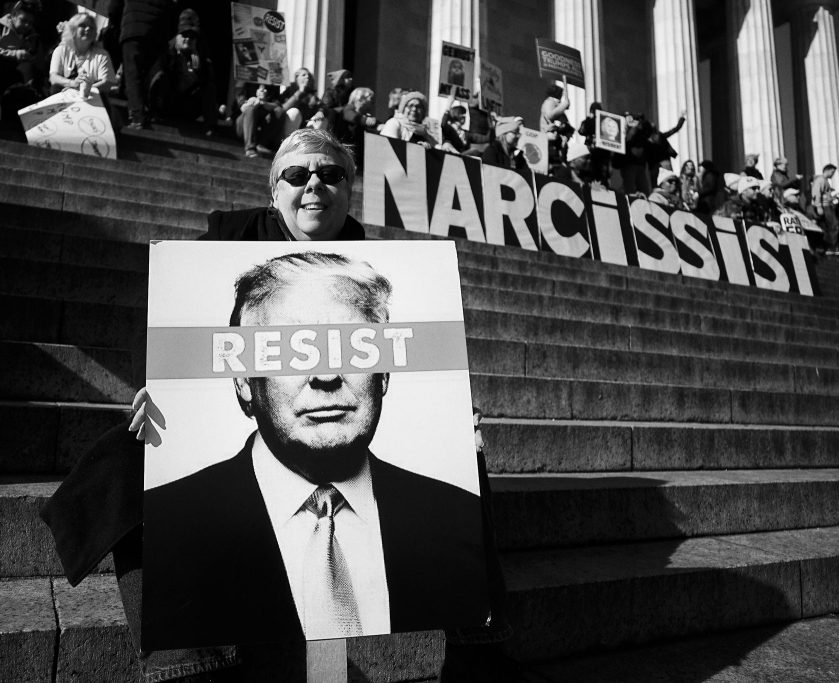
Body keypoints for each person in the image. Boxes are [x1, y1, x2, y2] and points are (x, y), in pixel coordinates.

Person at [42, 128, 513, 681]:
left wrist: (454, 406)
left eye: (331, 173)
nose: (314, 183)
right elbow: (169, 314)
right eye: (297, 174)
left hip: (391, 483)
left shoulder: (384, 263)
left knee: (464, 454)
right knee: (134, 461)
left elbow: (421, 352)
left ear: (349, 187)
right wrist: (157, 383)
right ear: (274, 191)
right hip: (194, 444)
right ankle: (188, 662)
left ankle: (480, 642)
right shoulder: (226, 239)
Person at [142, 251, 489, 647]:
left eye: (352, 347)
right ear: (242, 382)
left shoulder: (455, 514)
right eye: (294, 349)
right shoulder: (168, 521)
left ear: (386, 371)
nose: (325, 374)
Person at [147, 10, 217, 135]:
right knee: (160, 76)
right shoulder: (166, 53)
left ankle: (210, 127)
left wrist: (200, 68)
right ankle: (154, 114)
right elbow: (156, 80)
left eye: (192, 37)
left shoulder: (200, 58)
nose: (188, 39)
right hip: (166, 104)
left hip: (186, 107)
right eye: (185, 35)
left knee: (209, 87)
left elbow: (207, 83)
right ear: (177, 36)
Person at [119, 0, 177, 128]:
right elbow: (174, 14)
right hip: (158, 34)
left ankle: (137, 116)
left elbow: (114, 7)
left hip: (133, 29)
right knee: (152, 75)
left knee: (133, 74)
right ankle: (152, 111)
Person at [49, 12, 115, 95]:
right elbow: (54, 78)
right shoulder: (61, 50)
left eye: (91, 27)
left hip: (92, 100)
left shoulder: (101, 54)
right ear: (72, 29)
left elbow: (106, 83)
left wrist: (83, 90)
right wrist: (72, 84)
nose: (87, 29)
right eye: (83, 25)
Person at [0, 0, 40, 120]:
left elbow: (36, 60)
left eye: (30, 23)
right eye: (23, 21)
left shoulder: (32, 35)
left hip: (17, 74)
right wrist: (15, 54)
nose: (27, 25)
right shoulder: (1, 28)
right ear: (13, 16)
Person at [235, 82, 289, 158]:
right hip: (243, 126)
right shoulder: (246, 81)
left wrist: (263, 102)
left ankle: (263, 144)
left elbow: (278, 104)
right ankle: (250, 147)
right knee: (250, 109)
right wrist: (253, 102)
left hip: (263, 126)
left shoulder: (273, 85)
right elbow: (241, 105)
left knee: (279, 111)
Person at [810, 163, 839, 255]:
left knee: (828, 227)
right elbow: (816, 193)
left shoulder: (824, 181)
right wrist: (818, 207)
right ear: (828, 170)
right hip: (825, 206)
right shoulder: (820, 180)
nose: (833, 174)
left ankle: (830, 247)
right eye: (832, 172)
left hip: (827, 206)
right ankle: (831, 247)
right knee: (834, 225)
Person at [539, 76, 571, 164]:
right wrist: (564, 105)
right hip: (549, 139)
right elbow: (550, 115)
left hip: (558, 142)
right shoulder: (549, 102)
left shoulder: (556, 105)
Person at [280, 67, 322, 134]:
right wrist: (300, 91)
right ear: (297, 77)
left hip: (304, 125)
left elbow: (319, 110)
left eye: (308, 75)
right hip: (289, 124)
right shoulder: (290, 90)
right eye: (304, 75)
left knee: (320, 118)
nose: (307, 77)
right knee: (294, 112)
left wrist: (319, 111)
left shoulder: (311, 94)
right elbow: (284, 108)